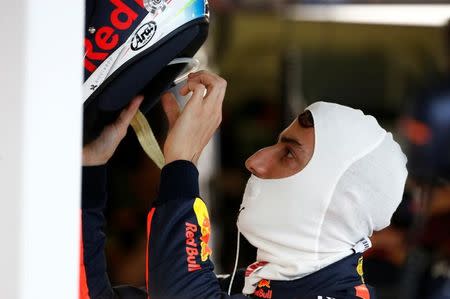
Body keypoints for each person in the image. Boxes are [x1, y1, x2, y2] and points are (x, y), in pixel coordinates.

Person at [80, 70, 408, 299]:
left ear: (338, 200)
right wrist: (91, 169)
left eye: (289, 154)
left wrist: (181, 167)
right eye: (277, 144)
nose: (255, 160)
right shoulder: (255, 284)